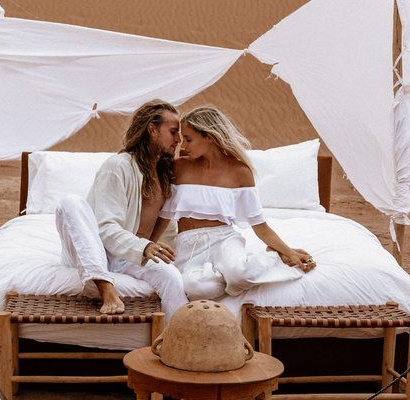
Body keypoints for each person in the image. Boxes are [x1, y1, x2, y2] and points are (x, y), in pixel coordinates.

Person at [153, 105, 316, 300]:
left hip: (224, 239)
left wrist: (288, 252)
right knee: (197, 289)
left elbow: (260, 225)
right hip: (189, 244)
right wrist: (145, 246)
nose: (183, 145)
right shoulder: (178, 168)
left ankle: (272, 256)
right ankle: (223, 272)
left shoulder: (240, 172)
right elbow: (164, 216)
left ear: (209, 137)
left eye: (188, 139)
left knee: (241, 275)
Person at [54, 100, 188, 319]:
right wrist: (144, 246)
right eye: (173, 132)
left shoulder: (165, 175)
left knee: (172, 277)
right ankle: (105, 286)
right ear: (152, 130)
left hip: (129, 257)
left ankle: (178, 335)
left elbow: (168, 227)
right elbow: (105, 228)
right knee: (71, 203)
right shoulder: (118, 167)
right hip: (94, 251)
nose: (179, 139)